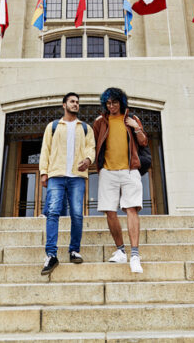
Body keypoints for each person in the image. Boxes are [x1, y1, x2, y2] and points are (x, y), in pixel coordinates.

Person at [38, 92, 96, 275]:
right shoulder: (54, 126)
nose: (75, 104)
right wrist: (43, 172)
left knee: (77, 214)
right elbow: (45, 149)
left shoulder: (85, 128)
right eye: (72, 102)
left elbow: (91, 148)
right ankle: (51, 255)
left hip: (77, 177)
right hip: (56, 174)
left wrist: (88, 159)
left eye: (77, 102)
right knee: (53, 212)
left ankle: (74, 250)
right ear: (64, 105)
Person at [92, 86, 147, 274]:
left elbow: (143, 142)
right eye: (108, 103)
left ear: (121, 102)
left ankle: (135, 255)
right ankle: (121, 250)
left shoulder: (132, 119)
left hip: (130, 170)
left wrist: (137, 128)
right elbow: (94, 144)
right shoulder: (100, 121)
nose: (111, 106)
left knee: (131, 209)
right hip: (108, 171)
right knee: (109, 211)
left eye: (114, 102)